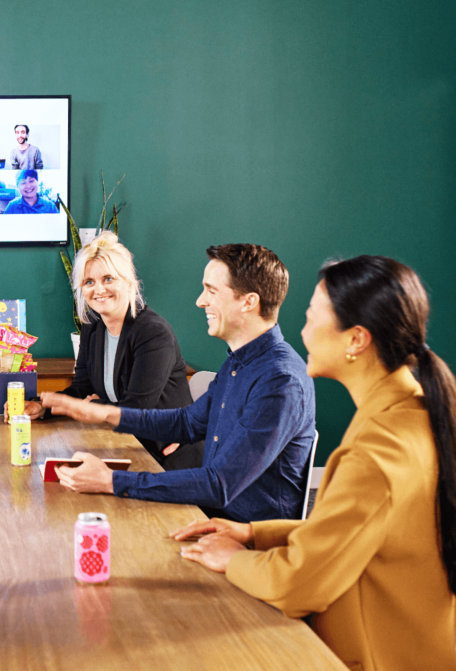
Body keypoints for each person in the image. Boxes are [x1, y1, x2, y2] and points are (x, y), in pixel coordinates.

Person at [176, 256, 456, 671]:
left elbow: (298, 584)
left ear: (356, 340)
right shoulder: (411, 413)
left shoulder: (378, 450)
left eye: (310, 317)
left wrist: (232, 558)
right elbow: (351, 533)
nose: (301, 331)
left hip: (369, 654)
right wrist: (253, 532)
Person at [43, 244, 316, 522]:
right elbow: (187, 424)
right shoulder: (239, 361)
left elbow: (219, 485)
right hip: (211, 510)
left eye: (211, 290)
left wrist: (112, 481)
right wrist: (103, 413)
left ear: (248, 302)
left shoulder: (280, 380)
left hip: (246, 534)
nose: (200, 301)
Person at [7, 233, 200, 469]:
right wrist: (41, 406)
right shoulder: (93, 327)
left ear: (128, 282)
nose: (98, 289)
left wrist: (97, 405)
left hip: (164, 456)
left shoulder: (152, 333)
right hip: (122, 444)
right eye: (89, 282)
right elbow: (82, 389)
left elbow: (137, 412)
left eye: (108, 279)